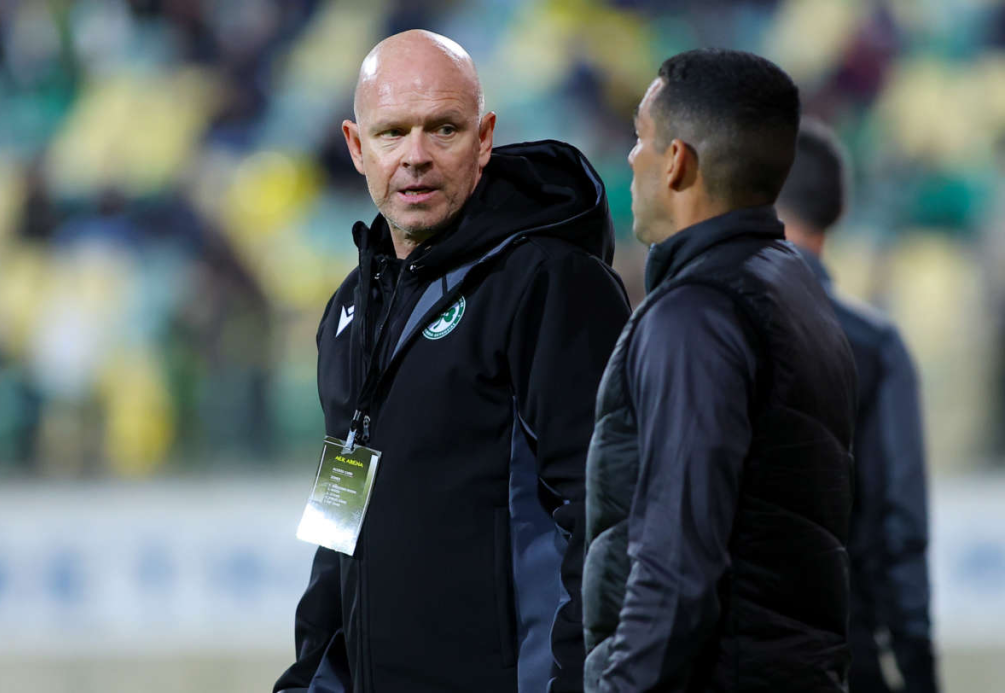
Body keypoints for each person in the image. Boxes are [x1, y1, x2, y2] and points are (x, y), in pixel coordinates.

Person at [274, 30, 631, 693]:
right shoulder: (351, 309)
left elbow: (608, 516)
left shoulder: (549, 283)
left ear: (484, 137)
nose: (416, 156)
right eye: (392, 133)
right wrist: (310, 679)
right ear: (356, 146)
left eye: (443, 129)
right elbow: (337, 525)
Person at [583, 49, 858, 692]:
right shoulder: (796, 291)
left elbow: (675, 569)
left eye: (640, 139)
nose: (631, 159)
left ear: (677, 161)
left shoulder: (695, 316)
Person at [777, 118, 938, 693]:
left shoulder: (690, 324)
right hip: (846, 647)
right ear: (838, 211)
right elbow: (901, 521)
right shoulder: (874, 345)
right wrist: (917, 663)